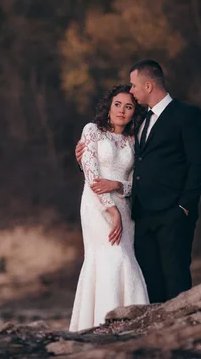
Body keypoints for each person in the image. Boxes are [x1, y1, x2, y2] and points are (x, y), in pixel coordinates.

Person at [75, 59, 201, 304]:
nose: (132, 93)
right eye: (120, 102)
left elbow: (198, 164)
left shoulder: (186, 115)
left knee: (175, 277)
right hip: (141, 214)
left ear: (148, 85)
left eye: (134, 87)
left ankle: (181, 335)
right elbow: (133, 168)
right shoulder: (142, 123)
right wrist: (82, 160)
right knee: (149, 281)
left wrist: (185, 206)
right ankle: (150, 334)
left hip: (172, 212)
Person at [69, 84, 149, 332]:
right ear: (109, 106)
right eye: (118, 104)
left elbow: (137, 184)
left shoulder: (135, 141)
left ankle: (133, 326)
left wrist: (118, 187)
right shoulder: (92, 131)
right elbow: (91, 172)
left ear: (134, 112)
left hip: (125, 208)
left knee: (125, 258)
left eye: (128, 107)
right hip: (95, 206)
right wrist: (110, 210)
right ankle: (100, 325)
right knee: (109, 258)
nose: (122, 111)